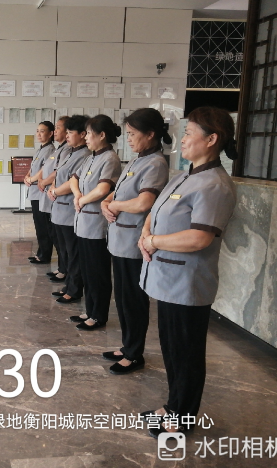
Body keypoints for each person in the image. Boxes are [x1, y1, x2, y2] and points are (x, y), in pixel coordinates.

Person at [137, 107, 238, 438]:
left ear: (211, 139)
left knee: (187, 354)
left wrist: (153, 241)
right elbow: (154, 210)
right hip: (167, 279)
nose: (182, 139)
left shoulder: (215, 185)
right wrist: (145, 234)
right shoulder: (183, 175)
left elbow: (199, 238)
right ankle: (172, 405)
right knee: (172, 349)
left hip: (187, 284)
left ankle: (182, 417)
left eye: (190, 133)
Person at [100, 108, 170, 375]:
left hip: (133, 243)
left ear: (150, 134)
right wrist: (107, 203)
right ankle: (127, 345)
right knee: (122, 298)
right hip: (119, 239)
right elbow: (117, 193)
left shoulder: (156, 163)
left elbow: (143, 202)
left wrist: (114, 205)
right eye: (127, 134)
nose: (128, 139)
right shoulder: (136, 161)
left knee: (133, 300)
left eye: (132, 134)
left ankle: (134, 353)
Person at [69, 115, 121, 330]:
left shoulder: (110, 158)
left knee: (98, 272)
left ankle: (98, 315)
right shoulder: (91, 157)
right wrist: (77, 195)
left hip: (97, 225)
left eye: (90, 133)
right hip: (83, 222)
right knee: (87, 270)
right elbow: (74, 178)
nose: (86, 137)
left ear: (102, 135)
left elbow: (102, 189)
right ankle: (90, 310)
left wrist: (81, 200)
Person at [47, 115, 90, 304]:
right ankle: (68, 285)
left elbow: (74, 182)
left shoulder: (84, 155)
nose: (67, 135)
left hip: (69, 210)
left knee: (73, 253)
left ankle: (74, 289)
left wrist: (55, 190)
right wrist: (52, 187)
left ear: (82, 134)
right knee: (64, 251)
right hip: (59, 207)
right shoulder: (70, 152)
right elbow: (58, 174)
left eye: (70, 132)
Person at [38, 116, 72, 280]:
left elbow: (59, 173)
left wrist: (46, 183)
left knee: (63, 241)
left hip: (62, 200)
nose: (56, 131)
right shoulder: (60, 149)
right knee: (57, 237)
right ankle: (62, 268)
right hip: (53, 196)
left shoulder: (68, 150)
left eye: (58, 128)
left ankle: (65, 270)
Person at [24, 121, 56, 265]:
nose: (38, 134)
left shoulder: (50, 150)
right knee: (38, 225)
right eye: (37, 131)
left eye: (42, 131)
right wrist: (27, 176)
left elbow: (43, 170)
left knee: (43, 226)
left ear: (50, 134)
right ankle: (41, 253)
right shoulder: (40, 149)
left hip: (41, 193)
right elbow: (33, 167)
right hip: (34, 191)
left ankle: (45, 255)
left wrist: (31, 179)